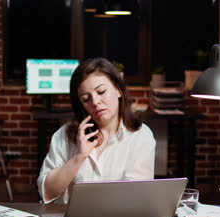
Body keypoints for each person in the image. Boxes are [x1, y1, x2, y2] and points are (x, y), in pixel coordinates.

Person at [37, 57, 156, 204]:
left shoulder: (141, 136)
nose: (95, 102)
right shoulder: (65, 134)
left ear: (118, 90)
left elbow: (135, 197)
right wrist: (79, 157)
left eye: (101, 91)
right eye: (86, 99)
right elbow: (46, 193)